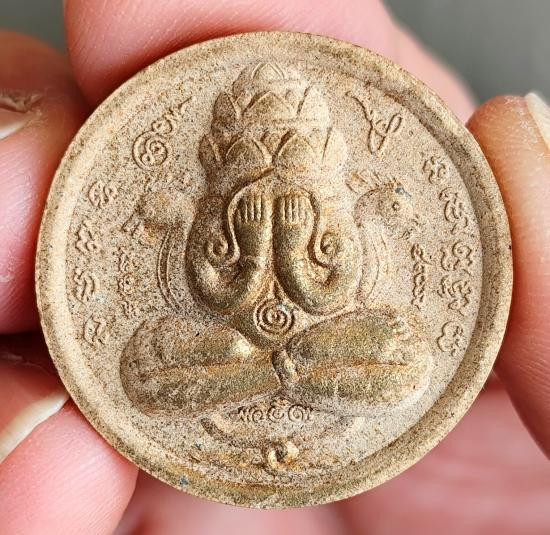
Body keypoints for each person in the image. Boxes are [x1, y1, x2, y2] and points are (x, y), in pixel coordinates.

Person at [0, 1, 548, 533]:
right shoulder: (217, 205)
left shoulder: (329, 203)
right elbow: (213, 288)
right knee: (144, 366)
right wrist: (233, 251)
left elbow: (332, 290)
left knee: (406, 358)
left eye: (290, 154)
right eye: (251, 156)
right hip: (230, 348)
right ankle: (279, 374)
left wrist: (335, 232)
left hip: (320, 347)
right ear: (218, 156)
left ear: (326, 153)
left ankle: (269, 373)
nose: (270, 168)